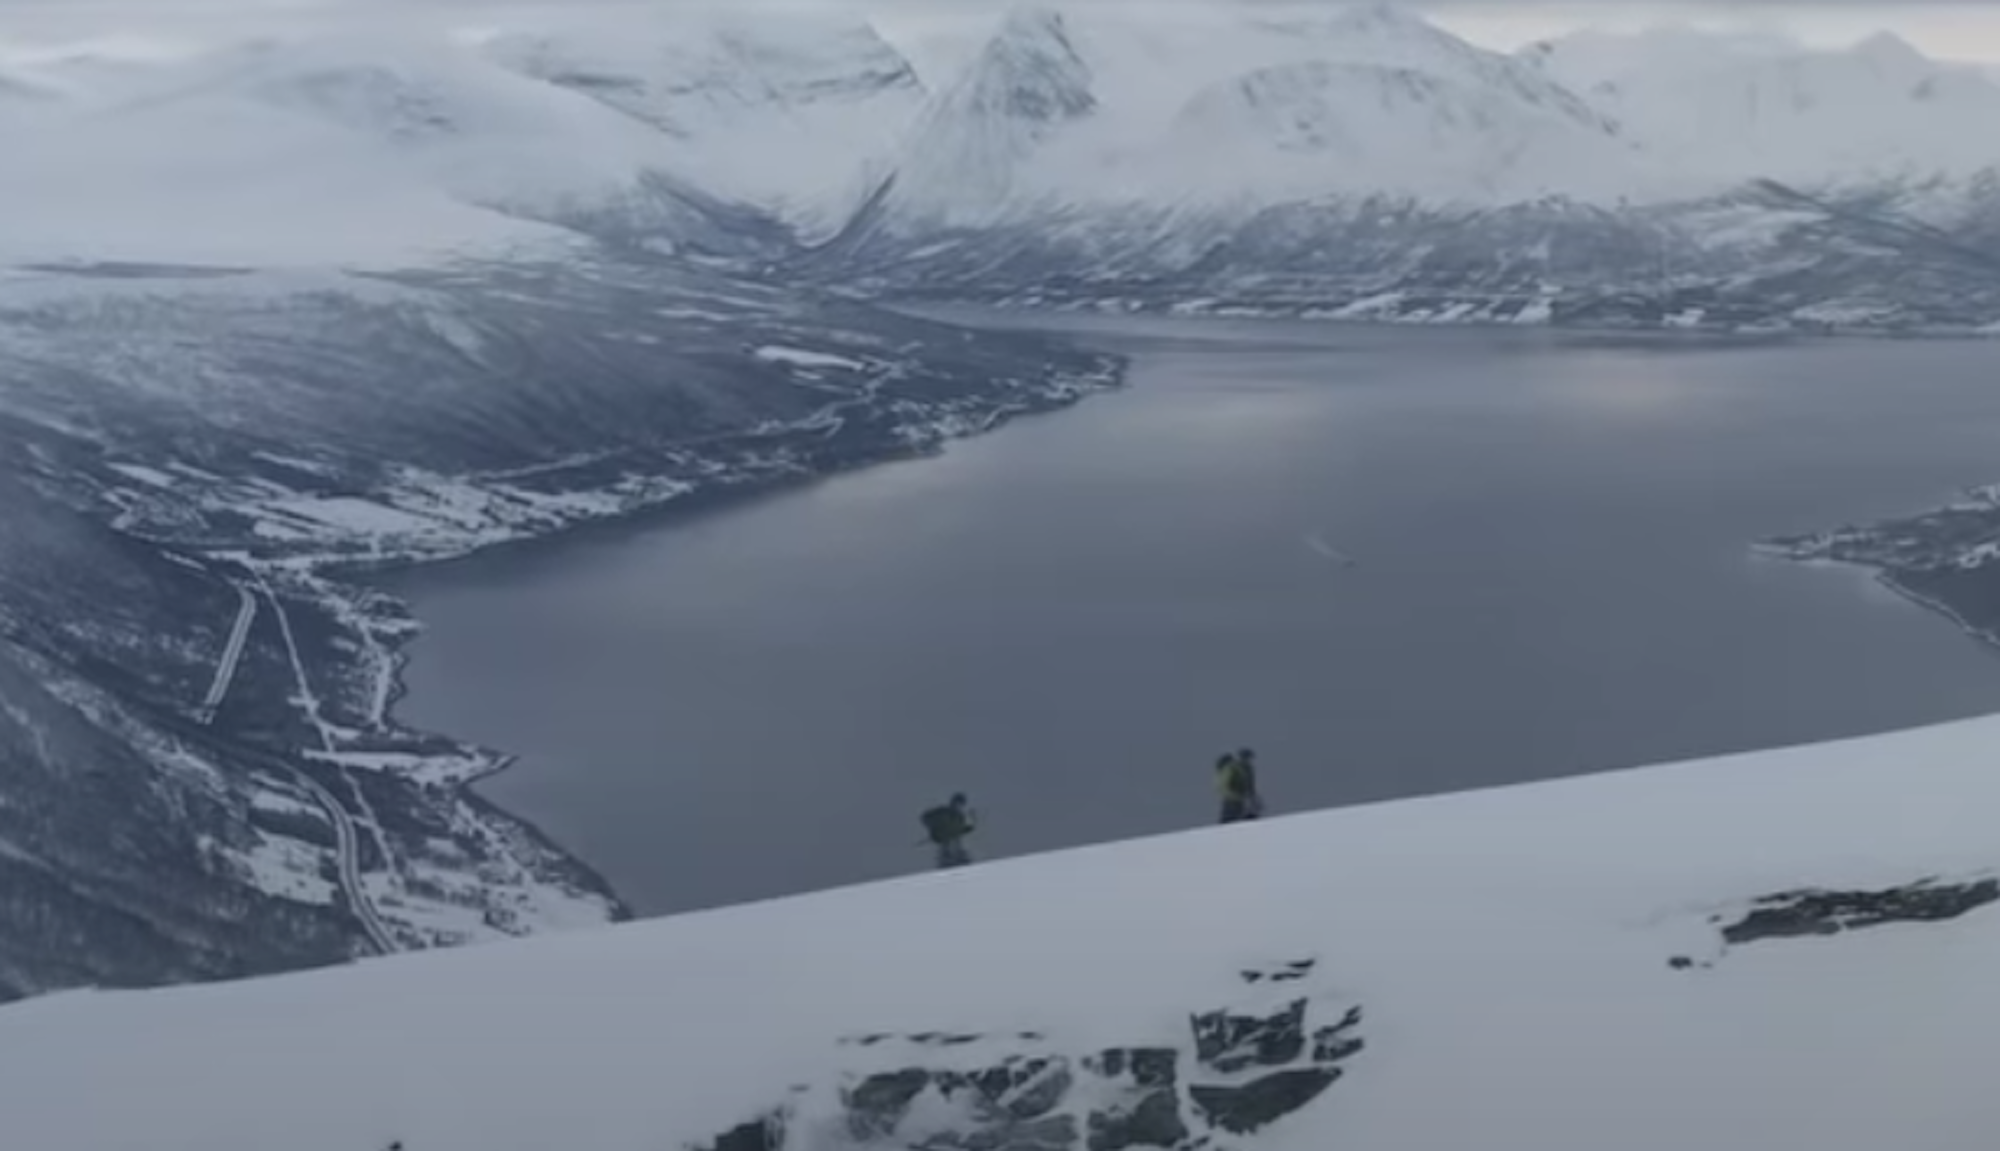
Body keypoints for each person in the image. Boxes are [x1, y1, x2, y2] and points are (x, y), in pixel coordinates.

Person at [921, 792, 976, 869]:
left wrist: (972, 821)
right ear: (953, 802)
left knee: (960, 856)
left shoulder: (960, 817)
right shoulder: (943, 811)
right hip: (945, 844)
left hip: (956, 844)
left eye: (961, 804)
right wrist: (934, 830)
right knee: (947, 857)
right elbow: (925, 817)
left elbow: (963, 830)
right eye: (958, 803)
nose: (959, 806)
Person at [1217, 749, 1263, 824]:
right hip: (1233, 798)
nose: (1248, 760)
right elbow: (1225, 784)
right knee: (1230, 817)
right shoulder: (1233, 768)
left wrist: (1253, 796)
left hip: (1242, 797)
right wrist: (1231, 795)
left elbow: (1250, 785)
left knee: (1239, 816)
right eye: (1246, 757)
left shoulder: (1248, 769)